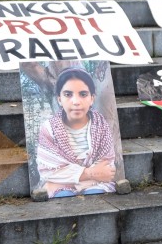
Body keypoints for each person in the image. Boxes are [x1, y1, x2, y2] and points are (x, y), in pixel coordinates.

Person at [36, 67, 117, 198]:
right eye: (68, 94)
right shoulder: (48, 129)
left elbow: (107, 169)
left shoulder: (101, 126)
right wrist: (91, 173)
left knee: (96, 192)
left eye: (83, 94)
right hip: (62, 186)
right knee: (61, 193)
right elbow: (48, 171)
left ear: (92, 98)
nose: (76, 102)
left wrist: (72, 177)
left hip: (96, 184)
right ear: (59, 99)